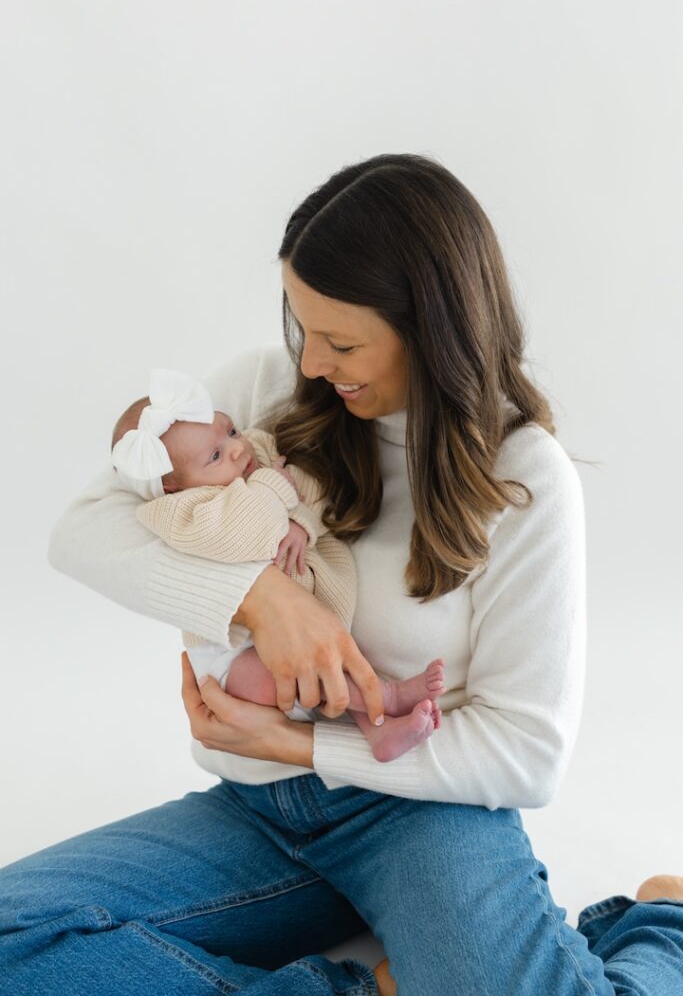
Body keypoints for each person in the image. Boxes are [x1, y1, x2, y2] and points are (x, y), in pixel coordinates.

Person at [2, 153, 682, 995]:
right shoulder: (260, 390)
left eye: (343, 340)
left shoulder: (525, 477)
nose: (313, 362)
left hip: (419, 817)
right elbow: (83, 529)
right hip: (263, 810)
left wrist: (299, 741)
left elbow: (525, 753)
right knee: (13, 937)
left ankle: (664, 927)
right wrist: (266, 597)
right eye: (302, 326)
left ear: (431, 327)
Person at [111, 368, 445, 762]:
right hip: (232, 660)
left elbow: (311, 485)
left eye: (230, 431)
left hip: (294, 633)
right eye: (215, 455)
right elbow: (245, 533)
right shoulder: (182, 510)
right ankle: (384, 696)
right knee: (293, 669)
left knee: (322, 657)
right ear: (172, 485)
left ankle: (377, 730)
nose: (237, 448)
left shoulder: (256, 452)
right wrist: (274, 487)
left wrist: (303, 522)